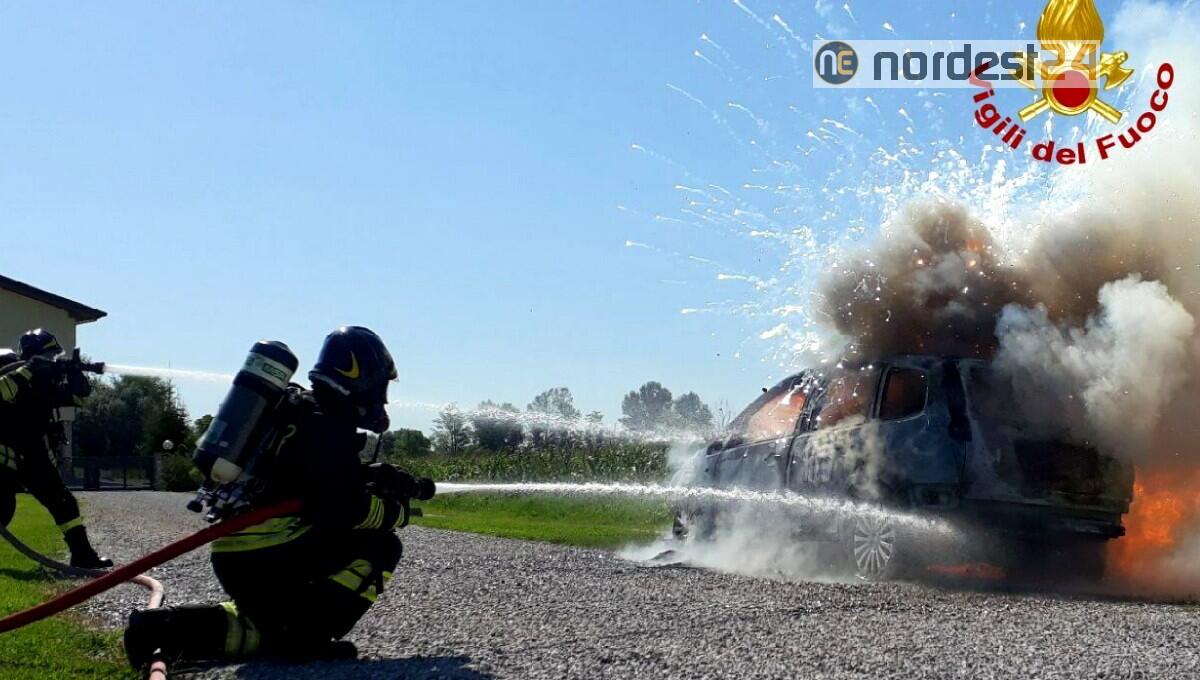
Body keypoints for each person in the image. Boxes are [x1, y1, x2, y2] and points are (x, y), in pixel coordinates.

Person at [124, 326, 430, 669]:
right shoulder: (329, 428)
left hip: (237, 560)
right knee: (383, 546)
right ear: (361, 379)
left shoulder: (299, 411)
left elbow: (312, 481)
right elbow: (344, 510)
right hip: (273, 558)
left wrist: (374, 476)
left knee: (269, 628)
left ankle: (160, 629)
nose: (382, 399)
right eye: (380, 386)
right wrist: (397, 514)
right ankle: (308, 638)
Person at [0, 329, 112, 568]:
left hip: (33, 456)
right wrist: (29, 369)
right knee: (3, 509)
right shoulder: (10, 367)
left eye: (55, 356)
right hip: (3, 456)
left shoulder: (47, 382)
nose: (53, 360)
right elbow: (3, 390)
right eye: (50, 355)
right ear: (34, 355)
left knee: (63, 502)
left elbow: (78, 398)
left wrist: (76, 377)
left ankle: (83, 555)